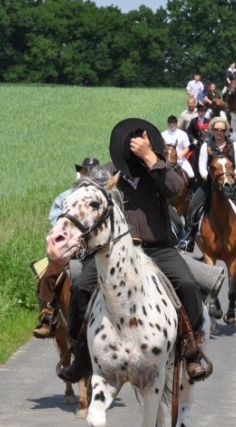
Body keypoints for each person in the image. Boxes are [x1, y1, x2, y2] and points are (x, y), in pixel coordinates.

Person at [59, 118, 210, 382]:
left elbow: (177, 190)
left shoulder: (160, 168)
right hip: (114, 253)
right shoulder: (104, 173)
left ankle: (191, 349)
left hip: (157, 248)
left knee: (186, 284)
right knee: (82, 286)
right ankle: (80, 351)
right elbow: (84, 202)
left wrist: (151, 157)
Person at [33, 158, 100, 338]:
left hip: (95, 249)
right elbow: (56, 219)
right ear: (82, 173)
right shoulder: (65, 196)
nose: (89, 175)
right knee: (48, 276)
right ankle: (47, 316)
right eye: (87, 171)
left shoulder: (100, 198)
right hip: (70, 249)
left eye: (93, 172)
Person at [181, 116, 236, 254]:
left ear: (226, 130)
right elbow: (202, 166)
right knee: (193, 206)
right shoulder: (206, 145)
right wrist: (207, 177)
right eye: (216, 129)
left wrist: (232, 177)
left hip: (231, 184)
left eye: (222, 130)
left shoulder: (233, 145)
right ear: (212, 130)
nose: (219, 132)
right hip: (211, 184)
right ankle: (188, 239)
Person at [162, 114, 195, 181]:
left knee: (191, 174)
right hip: (167, 160)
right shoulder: (163, 134)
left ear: (176, 123)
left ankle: (191, 190)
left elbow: (187, 147)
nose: (172, 125)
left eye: (174, 123)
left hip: (180, 159)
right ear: (168, 124)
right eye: (170, 123)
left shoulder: (183, 134)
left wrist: (181, 154)